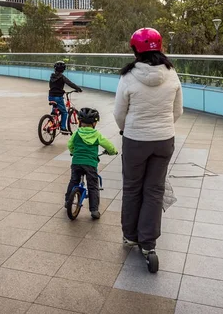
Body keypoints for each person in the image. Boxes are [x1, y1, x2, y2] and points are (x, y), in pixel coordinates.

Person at [114, 27, 183, 259]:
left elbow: (118, 113)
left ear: (135, 50)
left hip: (135, 140)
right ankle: (148, 242)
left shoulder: (128, 76)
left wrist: (127, 129)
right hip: (164, 140)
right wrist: (163, 127)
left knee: (132, 188)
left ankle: (130, 235)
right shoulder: (172, 73)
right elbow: (178, 111)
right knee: (154, 190)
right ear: (160, 47)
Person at [65, 108, 118, 219]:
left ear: (79, 122)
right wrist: (113, 151)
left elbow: (70, 145)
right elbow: (108, 145)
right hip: (90, 164)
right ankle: (94, 210)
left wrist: (73, 152)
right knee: (93, 186)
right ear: (94, 123)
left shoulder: (76, 133)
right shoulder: (97, 134)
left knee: (73, 180)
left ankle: (67, 201)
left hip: (76, 162)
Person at [49, 61, 82, 135]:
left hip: (51, 96)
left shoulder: (52, 76)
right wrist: (78, 88)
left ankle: (52, 118)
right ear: (63, 69)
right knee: (64, 112)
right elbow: (70, 83)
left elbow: (51, 86)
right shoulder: (62, 77)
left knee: (55, 108)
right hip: (58, 97)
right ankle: (63, 127)